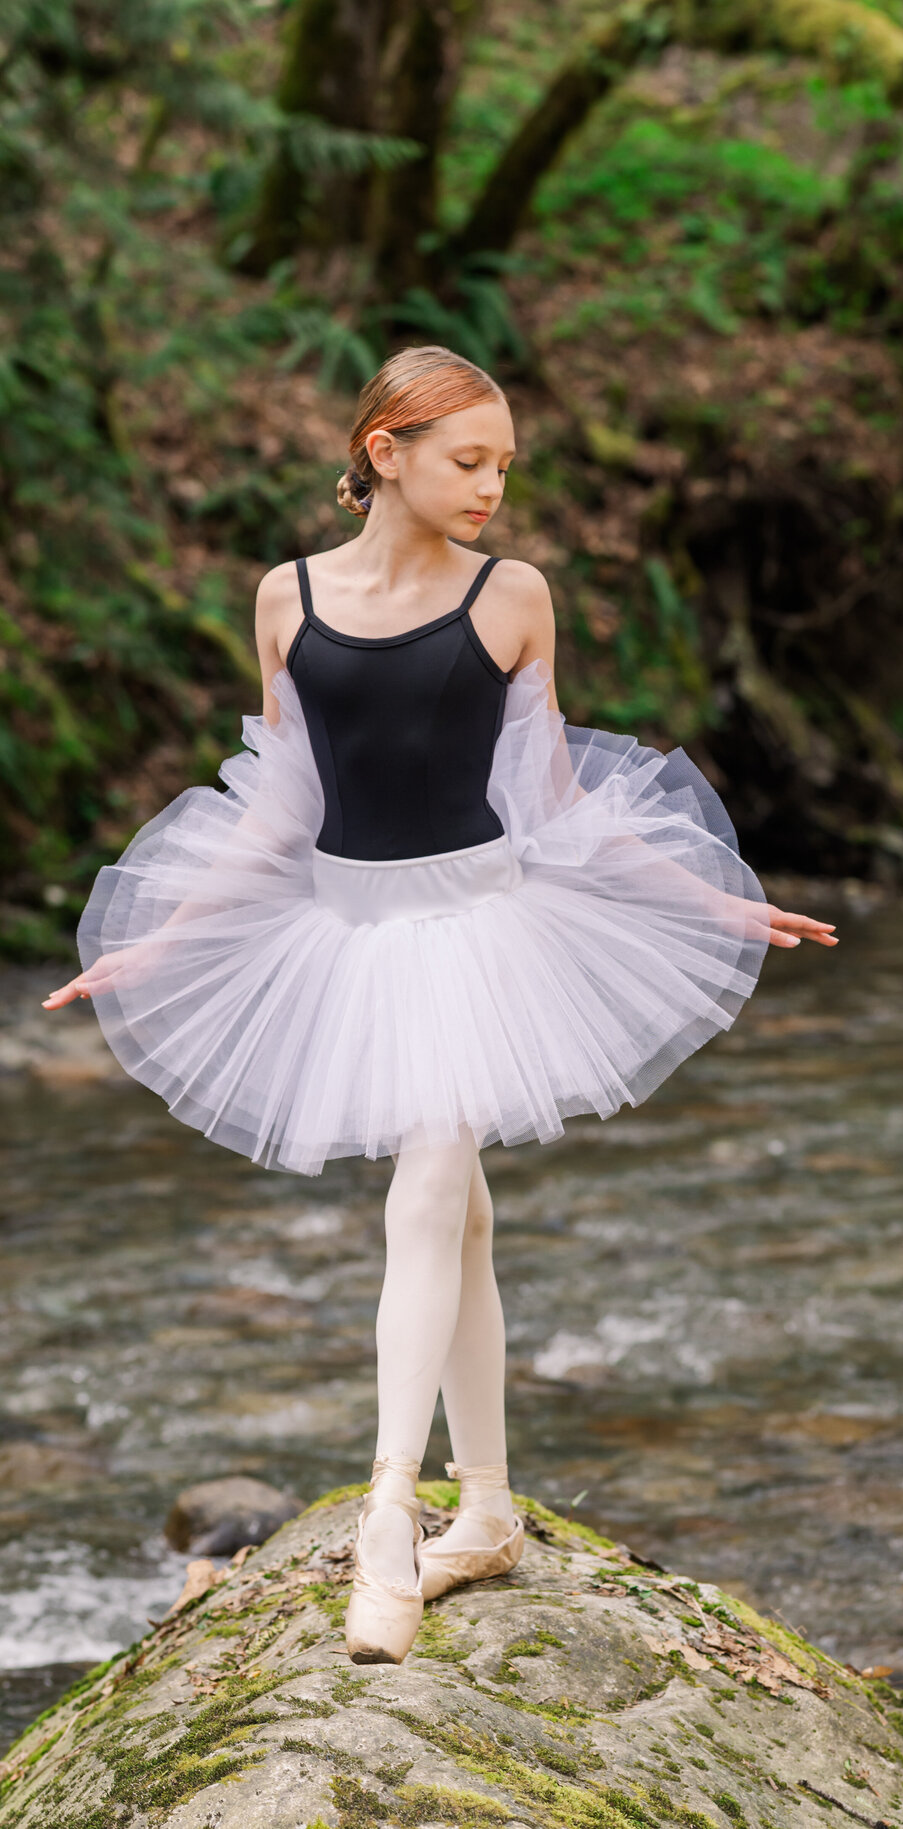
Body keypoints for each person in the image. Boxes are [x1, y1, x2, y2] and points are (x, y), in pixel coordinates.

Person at [42, 345, 838, 1665]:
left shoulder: (513, 596)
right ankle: (485, 1509)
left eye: (506, 465)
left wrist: (721, 903)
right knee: (458, 1214)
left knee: (431, 1176)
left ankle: (385, 1521)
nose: (493, 487)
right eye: (470, 461)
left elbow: (553, 806)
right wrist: (161, 940)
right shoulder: (286, 599)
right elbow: (286, 806)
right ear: (384, 453)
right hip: (348, 931)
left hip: (482, 926)